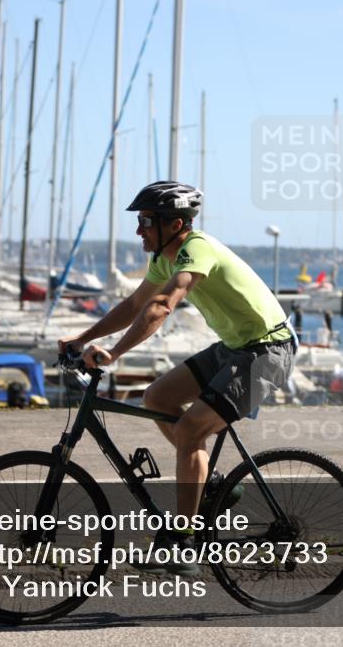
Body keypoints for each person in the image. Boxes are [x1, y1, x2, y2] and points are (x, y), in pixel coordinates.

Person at [58, 181, 296, 575]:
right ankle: (211, 484)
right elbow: (135, 304)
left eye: (146, 221)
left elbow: (163, 304)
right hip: (235, 347)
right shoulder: (164, 258)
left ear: (176, 223)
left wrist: (114, 353)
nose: (138, 231)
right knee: (157, 398)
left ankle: (184, 545)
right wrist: (82, 338)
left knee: (188, 432)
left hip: (267, 351)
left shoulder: (196, 248)